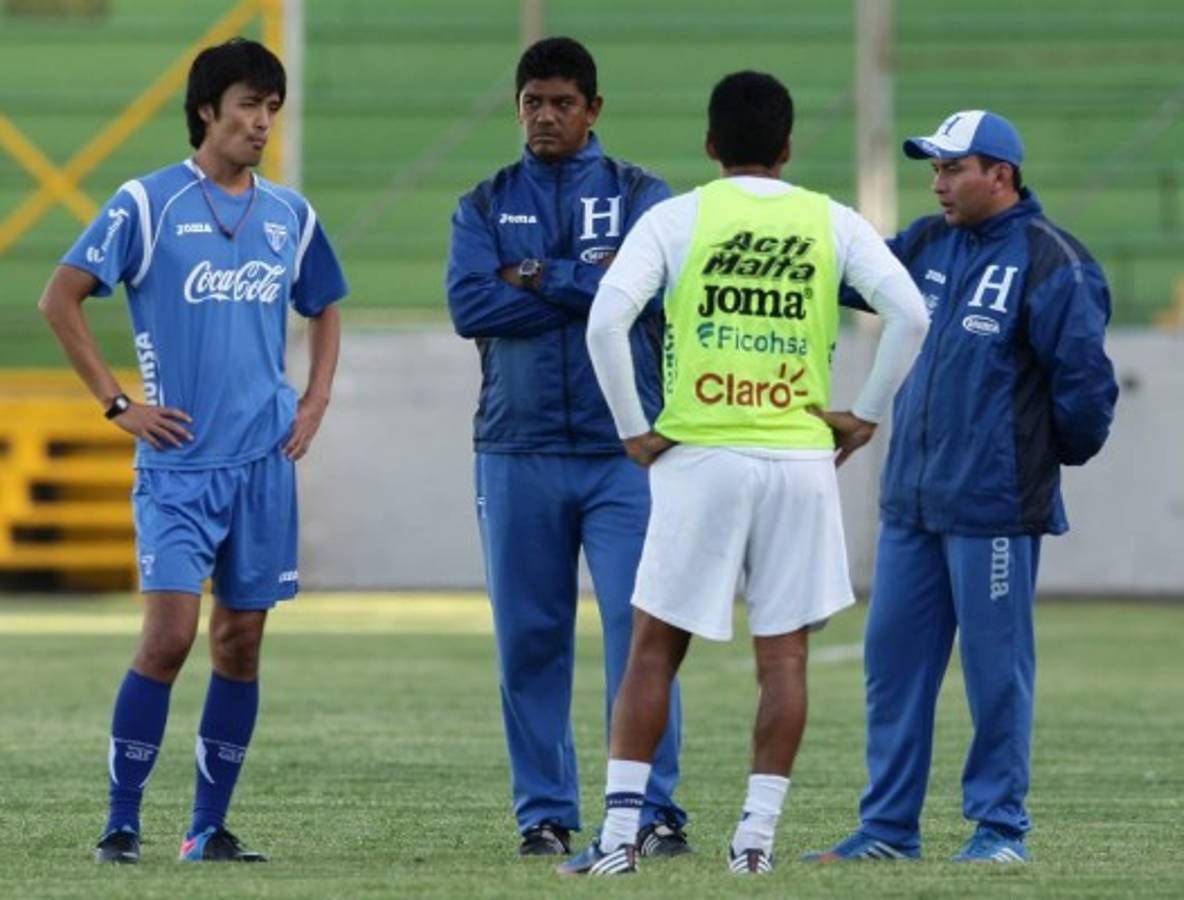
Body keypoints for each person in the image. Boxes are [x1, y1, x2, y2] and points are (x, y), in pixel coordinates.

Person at [560, 70, 930, 876]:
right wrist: (864, 411)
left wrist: (633, 428)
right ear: (788, 148)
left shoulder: (678, 217)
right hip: (799, 457)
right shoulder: (829, 221)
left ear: (709, 144)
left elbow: (605, 321)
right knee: (785, 656)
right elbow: (911, 313)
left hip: (703, 453)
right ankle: (753, 844)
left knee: (655, 648)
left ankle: (620, 841)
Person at [38, 38, 347, 864]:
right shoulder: (146, 204)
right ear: (207, 109)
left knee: (239, 644)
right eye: (250, 104)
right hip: (178, 469)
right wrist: (117, 405)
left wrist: (314, 401)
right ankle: (120, 822)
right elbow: (60, 297)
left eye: (273, 108)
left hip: (263, 468)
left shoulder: (291, 214)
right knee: (169, 638)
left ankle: (206, 829)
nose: (263, 122)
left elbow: (325, 304)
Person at [805, 110, 1118, 864]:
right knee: (893, 671)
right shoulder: (926, 243)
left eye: (953, 169)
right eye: (934, 170)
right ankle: (886, 831)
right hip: (911, 501)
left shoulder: (1053, 263)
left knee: (994, 674)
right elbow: (852, 279)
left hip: (994, 508)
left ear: (1000, 176)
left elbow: (1086, 391)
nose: (938, 184)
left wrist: (1034, 461)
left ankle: (999, 828)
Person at [444, 36, 687, 857]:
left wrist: (537, 275)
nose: (545, 117)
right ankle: (544, 812)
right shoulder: (482, 203)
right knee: (529, 639)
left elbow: (649, 297)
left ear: (593, 109)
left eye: (561, 103)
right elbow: (472, 306)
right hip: (516, 449)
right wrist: (593, 287)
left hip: (628, 450)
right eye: (531, 103)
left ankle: (652, 811)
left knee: (643, 630)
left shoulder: (644, 196)